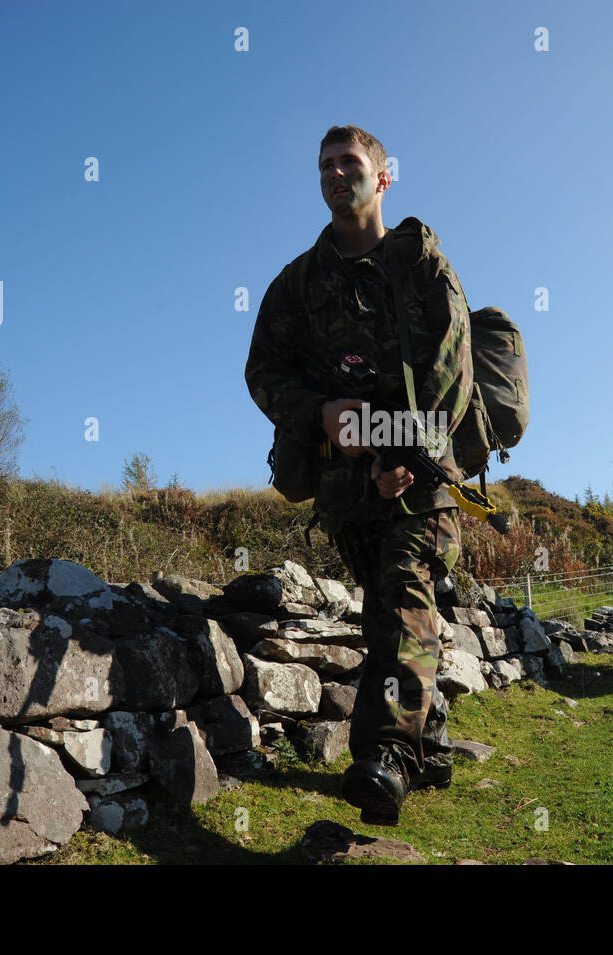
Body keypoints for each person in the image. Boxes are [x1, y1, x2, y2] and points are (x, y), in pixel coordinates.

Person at [244, 126, 474, 824]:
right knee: (385, 616)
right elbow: (262, 373)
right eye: (325, 165)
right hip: (347, 490)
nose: (336, 173)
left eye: (351, 162)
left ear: (384, 177)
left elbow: (451, 371)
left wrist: (399, 451)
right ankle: (428, 740)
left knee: (406, 589)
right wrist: (320, 415)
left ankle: (386, 757)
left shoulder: (422, 266)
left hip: (422, 477)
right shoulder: (297, 284)